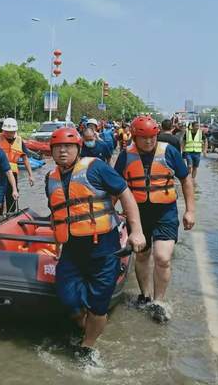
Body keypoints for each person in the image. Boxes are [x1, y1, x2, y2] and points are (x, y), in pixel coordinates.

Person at [46, 127, 145, 361]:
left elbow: (125, 194)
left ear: (78, 148)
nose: (62, 152)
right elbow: (56, 213)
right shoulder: (51, 178)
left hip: (104, 246)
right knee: (68, 298)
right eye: (57, 147)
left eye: (68, 147)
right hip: (72, 248)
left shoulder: (96, 168)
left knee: (99, 305)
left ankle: (87, 347)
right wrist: (57, 246)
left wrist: (137, 231)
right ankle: (85, 326)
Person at [114, 116, 196, 323]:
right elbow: (115, 187)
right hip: (137, 213)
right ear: (134, 137)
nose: (149, 141)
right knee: (142, 255)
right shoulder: (125, 156)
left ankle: (158, 302)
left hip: (165, 213)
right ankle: (145, 295)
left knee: (162, 257)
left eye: (152, 137)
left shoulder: (169, 152)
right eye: (144, 138)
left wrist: (189, 211)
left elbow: (186, 180)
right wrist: (108, 213)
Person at [0, 118, 34, 212]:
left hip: (12, 174)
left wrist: (30, 175)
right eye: (6, 131)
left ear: (15, 131)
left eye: (11, 132)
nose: (8, 134)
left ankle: (11, 215)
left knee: (11, 196)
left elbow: (25, 159)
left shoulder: (19, 141)